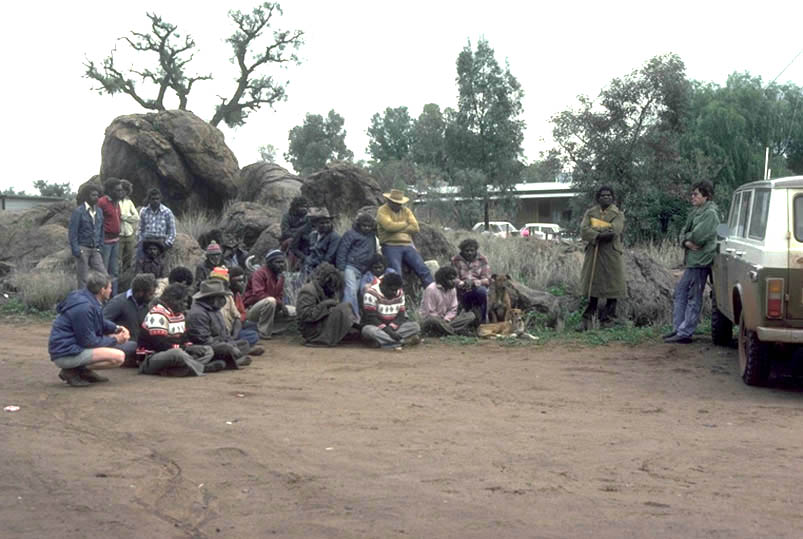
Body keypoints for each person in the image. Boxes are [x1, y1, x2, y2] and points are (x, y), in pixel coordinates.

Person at [48, 271, 135, 387]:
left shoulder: (85, 299)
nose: (111, 290)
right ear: (102, 290)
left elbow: (99, 322)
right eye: (109, 288)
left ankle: (81, 371)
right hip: (66, 353)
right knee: (118, 357)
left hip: (68, 349)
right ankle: (73, 371)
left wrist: (116, 328)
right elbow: (88, 342)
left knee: (119, 351)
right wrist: (115, 340)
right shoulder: (84, 307)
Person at [664, 181, 721, 344]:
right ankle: (678, 329)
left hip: (700, 260)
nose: (692, 197)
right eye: (692, 194)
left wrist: (687, 238)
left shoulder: (710, 213)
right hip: (693, 259)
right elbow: (683, 233)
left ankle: (685, 332)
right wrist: (686, 241)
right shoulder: (696, 212)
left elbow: (698, 236)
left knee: (693, 296)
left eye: (696, 194)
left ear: (706, 195)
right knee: (681, 292)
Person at [137, 283, 221, 376]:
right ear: (172, 300)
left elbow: (184, 339)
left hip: (175, 352)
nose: (185, 305)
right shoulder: (157, 314)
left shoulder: (179, 314)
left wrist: (190, 347)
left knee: (207, 350)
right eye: (183, 301)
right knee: (177, 354)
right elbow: (161, 345)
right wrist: (187, 348)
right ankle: (202, 367)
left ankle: (185, 368)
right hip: (151, 358)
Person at [577, 186, 627, 331]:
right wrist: (598, 234)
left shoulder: (618, 214)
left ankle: (608, 319)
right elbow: (584, 230)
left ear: (613, 197)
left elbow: (614, 231)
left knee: (613, 285)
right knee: (593, 283)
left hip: (611, 254)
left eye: (609, 195)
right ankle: (587, 319)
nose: (606, 197)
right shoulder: (590, 212)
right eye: (603, 195)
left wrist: (596, 228)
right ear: (598, 198)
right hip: (594, 253)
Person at [186, 279, 252, 369]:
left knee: (244, 344)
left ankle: (232, 358)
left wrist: (231, 343)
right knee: (226, 348)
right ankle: (231, 361)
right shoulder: (198, 313)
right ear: (211, 298)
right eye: (220, 297)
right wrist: (229, 346)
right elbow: (203, 340)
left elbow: (224, 333)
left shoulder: (215, 310)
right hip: (205, 347)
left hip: (219, 343)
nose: (223, 300)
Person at [375, 188, 433, 288]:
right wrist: (406, 224)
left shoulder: (406, 211)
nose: (398, 205)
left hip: (407, 245)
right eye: (395, 202)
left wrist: (396, 228)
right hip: (390, 245)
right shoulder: (382, 211)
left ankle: (432, 293)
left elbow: (415, 227)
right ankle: (397, 297)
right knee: (396, 272)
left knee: (423, 269)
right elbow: (389, 226)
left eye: (399, 203)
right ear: (389, 201)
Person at [296, 262, 355, 346]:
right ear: (326, 280)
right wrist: (326, 303)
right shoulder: (308, 290)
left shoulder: (328, 290)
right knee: (343, 308)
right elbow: (306, 316)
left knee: (346, 306)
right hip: (310, 329)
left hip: (320, 323)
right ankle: (320, 340)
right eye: (332, 286)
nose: (333, 290)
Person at [243, 249, 296, 339]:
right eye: (277, 262)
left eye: (282, 262)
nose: (281, 265)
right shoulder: (259, 273)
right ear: (270, 263)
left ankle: (274, 329)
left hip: (270, 307)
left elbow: (280, 295)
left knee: (294, 310)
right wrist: (279, 303)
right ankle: (264, 333)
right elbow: (258, 294)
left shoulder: (280, 276)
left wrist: (281, 305)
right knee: (270, 301)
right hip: (252, 309)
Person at [361, 272, 421, 350]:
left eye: (396, 290)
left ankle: (384, 343)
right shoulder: (370, 293)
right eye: (392, 290)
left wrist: (391, 328)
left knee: (415, 326)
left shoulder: (399, 293)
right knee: (368, 330)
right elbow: (372, 318)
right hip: (376, 326)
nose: (395, 293)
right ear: (383, 286)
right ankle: (402, 342)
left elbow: (401, 315)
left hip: (393, 327)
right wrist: (389, 332)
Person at [208, 266, 262, 351]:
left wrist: (234, 335)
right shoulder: (204, 298)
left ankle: (234, 346)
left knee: (253, 332)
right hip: (213, 335)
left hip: (229, 331)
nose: (241, 283)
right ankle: (239, 349)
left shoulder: (229, 296)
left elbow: (238, 316)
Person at [336, 213, 377, 322]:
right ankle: (350, 319)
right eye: (364, 225)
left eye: (369, 226)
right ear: (359, 225)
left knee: (362, 292)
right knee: (351, 290)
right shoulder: (351, 234)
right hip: (351, 267)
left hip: (364, 270)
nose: (367, 228)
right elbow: (342, 251)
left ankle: (362, 318)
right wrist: (341, 268)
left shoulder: (372, 236)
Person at [419, 266, 477, 337]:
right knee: (433, 320)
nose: (454, 281)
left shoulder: (452, 289)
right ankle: (455, 332)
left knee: (471, 315)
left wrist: (446, 319)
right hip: (431, 321)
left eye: (454, 278)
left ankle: (444, 331)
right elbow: (430, 312)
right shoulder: (431, 289)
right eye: (451, 279)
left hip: (446, 321)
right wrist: (441, 321)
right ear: (443, 280)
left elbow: (453, 309)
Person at [102, 273, 157, 346]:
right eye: (150, 294)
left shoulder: (148, 305)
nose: (152, 297)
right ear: (140, 293)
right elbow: (101, 322)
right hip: (121, 345)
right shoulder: (119, 302)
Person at [68, 183, 106, 289]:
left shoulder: (99, 211)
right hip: (83, 248)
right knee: (83, 279)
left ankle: (100, 299)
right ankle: (83, 301)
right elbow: (72, 232)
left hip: (95, 248)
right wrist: (76, 250)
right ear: (87, 196)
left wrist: (100, 247)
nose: (96, 198)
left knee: (103, 275)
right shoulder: (79, 212)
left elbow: (102, 229)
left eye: (97, 195)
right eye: (93, 195)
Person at [451, 238, 492, 323]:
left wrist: (474, 283)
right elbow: (453, 277)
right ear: (462, 251)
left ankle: (483, 321)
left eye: (472, 250)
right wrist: (462, 283)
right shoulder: (455, 260)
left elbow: (487, 279)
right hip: (461, 289)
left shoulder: (482, 260)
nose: (469, 253)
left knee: (482, 291)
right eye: (467, 250)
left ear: (475, 250)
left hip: (477, 287)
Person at [96, 178, 125, 295]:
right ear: (110, 190)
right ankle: (101, 298)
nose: (120, 192)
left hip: (115, 241)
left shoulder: (116, 203)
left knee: (114, 271)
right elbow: (97, 222)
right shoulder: (102, 202)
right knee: (103, 272)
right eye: (117, 190)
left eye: (121, 190)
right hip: (105, 242)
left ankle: (114, 297)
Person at [297, 208, 341, 276]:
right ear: (316, 224)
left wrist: (313, 264)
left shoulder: (334, 237)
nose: (325, 225)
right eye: (322, 223)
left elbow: (328, 258)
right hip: (309, 266)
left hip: (325, 270)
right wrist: (306, 260)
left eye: (327, 222)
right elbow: (309, 252)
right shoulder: (313, 235)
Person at [137, 188, 175, 264]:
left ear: (160, 199)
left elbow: (172, 231)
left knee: (160, 265)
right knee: (141, 262)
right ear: (149, 199)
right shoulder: (143, 211)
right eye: (153, 199)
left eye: (157, 199)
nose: (155, 201)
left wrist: (167, 244)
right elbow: (140, 229)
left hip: (160, 241)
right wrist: (141, 240)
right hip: (147, 240)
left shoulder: (167, 212)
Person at [280, 196, 309, 271]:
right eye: (301, 206)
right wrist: (299, 232)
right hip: (289, 241)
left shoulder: (308, 217)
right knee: (291, 242)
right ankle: (290, 268)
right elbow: (285, 232)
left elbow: (310, 230)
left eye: (306, 206)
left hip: (304, 240)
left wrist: (294, 230)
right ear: (295, 207)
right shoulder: (287, 216)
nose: (304, 209)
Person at [118, 179, 140, 277]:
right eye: (120, 190)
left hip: (130, 234)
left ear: (127, 191)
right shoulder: (115, 202)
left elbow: (136, 217)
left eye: (124, 190)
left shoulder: (129, 202)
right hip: (118, 235)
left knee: (129, 259)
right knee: (118, 260)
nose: (122, 192)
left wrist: (126, 218)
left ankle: (126, 279)